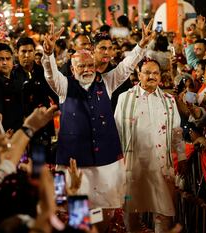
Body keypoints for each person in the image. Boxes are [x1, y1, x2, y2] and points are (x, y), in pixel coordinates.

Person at [41, 21, 153, 230]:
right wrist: (47, 55)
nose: (87, 69)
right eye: (81, 66)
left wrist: (142, 45)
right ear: (72, 69)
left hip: (106, 160)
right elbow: (50, 74)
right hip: (75, 161)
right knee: (77, 212)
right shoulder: (64, 86)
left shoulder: (107, 81)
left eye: (90, 65)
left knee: (107, 211)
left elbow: (126, 66)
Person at [114, 58, 185, 232]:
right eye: (147, 72)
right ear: (139, 75)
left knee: (163, 211)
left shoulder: (169, 100)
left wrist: (181, 156)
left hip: (161, 166)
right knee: (131, 210)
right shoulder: (125, 98)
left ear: (160, 76)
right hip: (133, 164)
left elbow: (177, 131)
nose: (151, 76)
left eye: (155, 73)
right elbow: (116, 130)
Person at [11, 37, 59, 164]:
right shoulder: (12, 74)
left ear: (34, 52)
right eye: (23, 51)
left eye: (30, 51)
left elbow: (56, 95)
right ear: (17, 53)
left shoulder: (44, 72)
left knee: (43, 166)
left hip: (43, 128)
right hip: (21, 128)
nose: (27, 55)